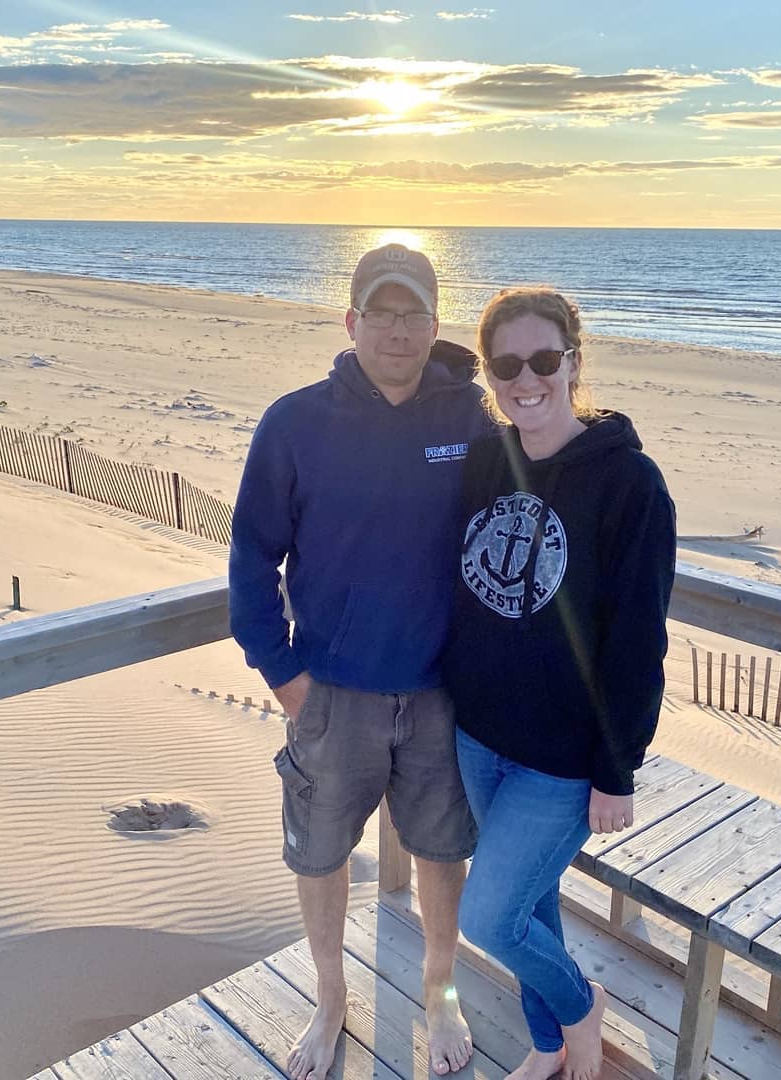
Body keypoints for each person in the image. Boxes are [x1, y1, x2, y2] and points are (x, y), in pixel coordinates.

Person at [229, 243, 493, 1080]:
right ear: (350, 322)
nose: (397, 330)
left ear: (434, 324)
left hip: (443, 696)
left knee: (444, 850)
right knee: (321, 855)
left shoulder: (471, 421)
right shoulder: (296, 422)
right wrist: (285, 677)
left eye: (413, 313)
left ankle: (440, 988)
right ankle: (332, 996)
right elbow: (250, 556)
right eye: (379, 313)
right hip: (331, 695)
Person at [443, 287, 676, 1080]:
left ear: (574, 361)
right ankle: (548, 1048)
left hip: (564, 762)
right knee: (532, 904)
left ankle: (580, 1010)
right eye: (505, 365)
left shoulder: (631, 486)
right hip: (478, 738)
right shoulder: (485, 459)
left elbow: (637, 642)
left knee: (491, 916)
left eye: (544, 359)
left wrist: (618, 770)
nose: (526, 378)